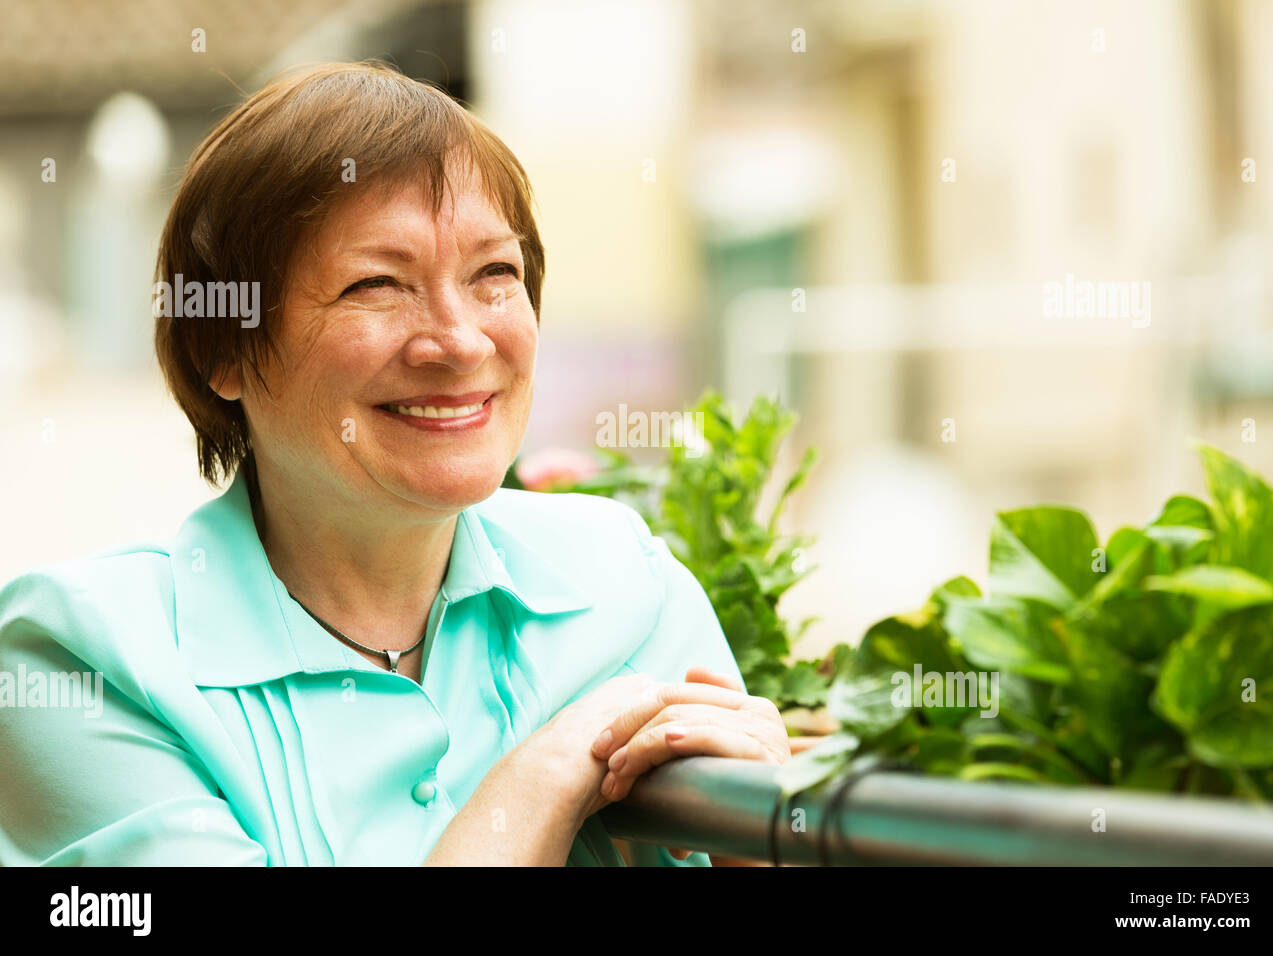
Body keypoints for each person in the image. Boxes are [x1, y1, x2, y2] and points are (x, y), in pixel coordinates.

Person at [0, 61, 791, 866]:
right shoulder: (80, 657)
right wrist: (554, 769)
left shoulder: (625, 583)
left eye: (495, 275)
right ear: (225, 350)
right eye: (377, 284)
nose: (459, 341)